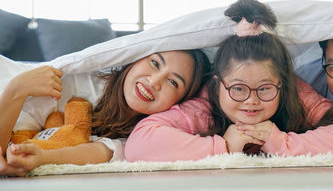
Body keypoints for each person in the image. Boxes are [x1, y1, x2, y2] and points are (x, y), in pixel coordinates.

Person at [125, 0, 333, 162]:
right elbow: (140, 143)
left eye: (264, 89)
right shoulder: (204, 105)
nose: (251, 101)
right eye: (238, 89)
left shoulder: (295, 94)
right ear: (217, 84)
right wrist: (223, 147)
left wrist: (281, 141)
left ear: (282, 85)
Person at [0, 49, 210, 176]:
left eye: (173, 82)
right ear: (135, 59)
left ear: (179, 102)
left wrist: (42, 158)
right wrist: (16, 89)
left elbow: (102, 152)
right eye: (154, 63)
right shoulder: (78, 83)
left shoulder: (147, 133)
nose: (154, 82)